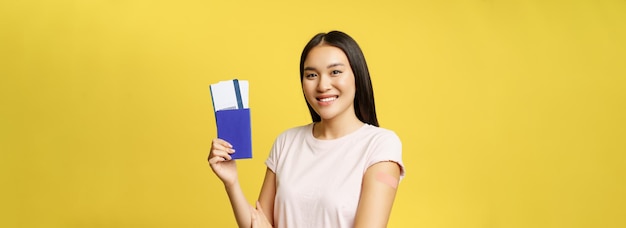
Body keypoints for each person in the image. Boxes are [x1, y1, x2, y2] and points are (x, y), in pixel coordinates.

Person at [208, 30, 405, 228]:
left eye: (335, 72)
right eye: (311, 75)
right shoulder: (286, 142)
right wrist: (232, 183)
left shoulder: (381, 145)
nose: (323, 85)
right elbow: (259, 224)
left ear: (357, 75)